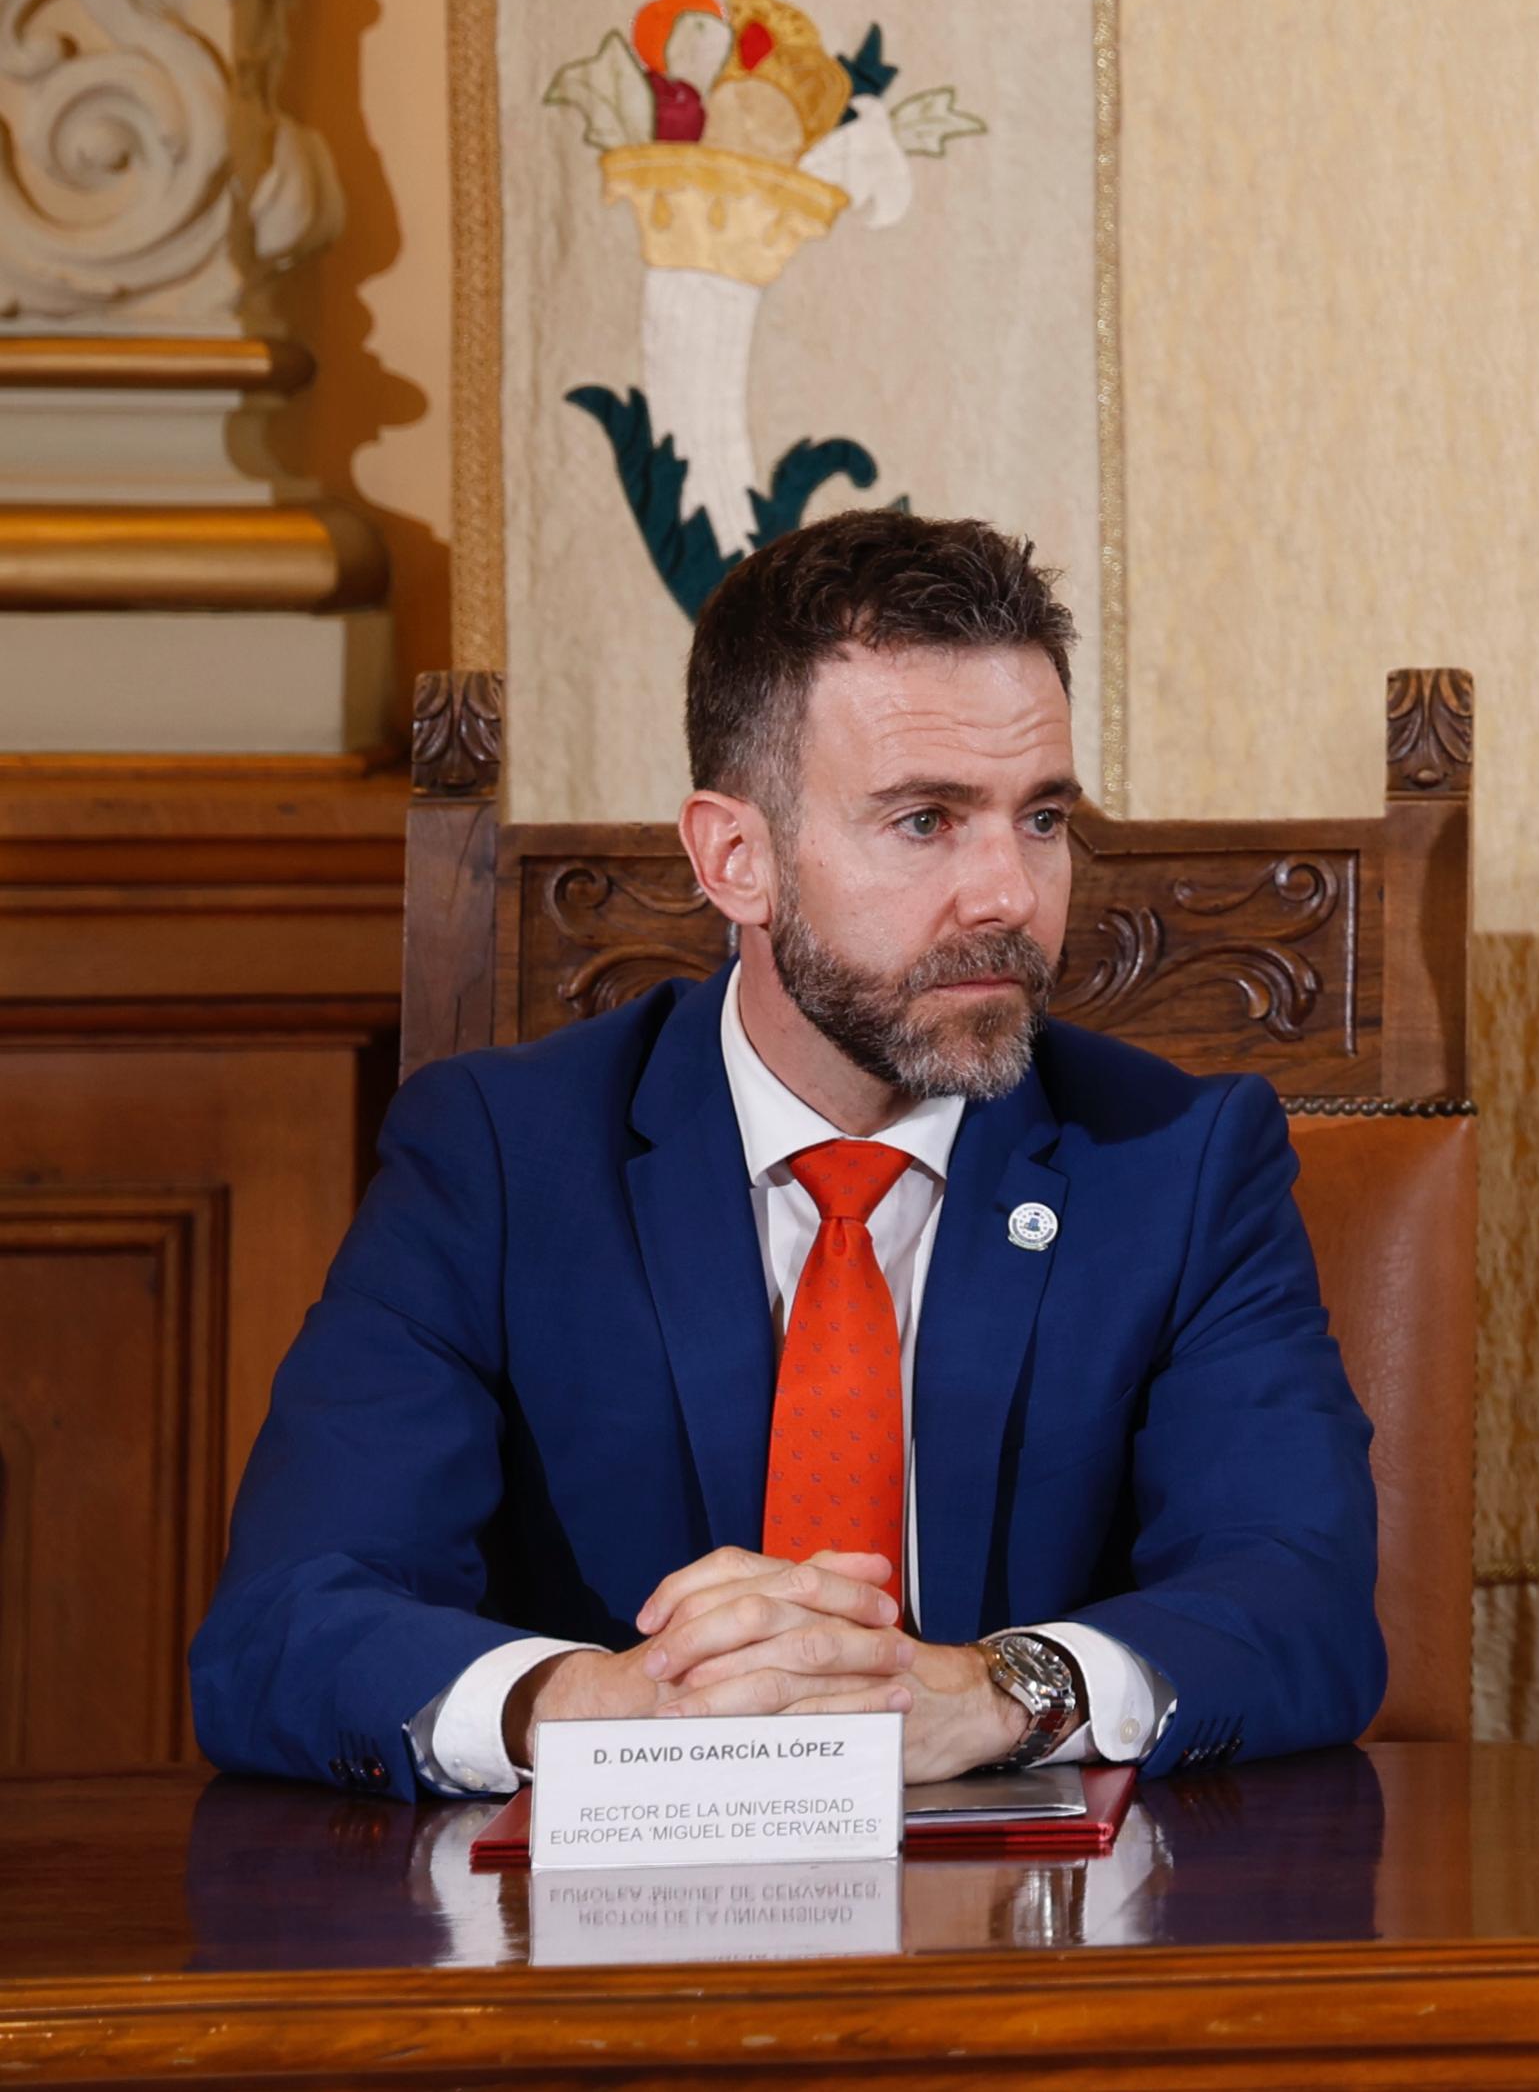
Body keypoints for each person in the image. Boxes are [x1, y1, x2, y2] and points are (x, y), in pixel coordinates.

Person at [190, 513, 1383, 1796]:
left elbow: (1299, 1597)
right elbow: (286, 1622)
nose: (1008, 892)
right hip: (611, 1901)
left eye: (1041, 816)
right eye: (924, 819)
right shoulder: (496, 1157)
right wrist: (589, 1702)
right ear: (735, 857)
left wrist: (998, 1691)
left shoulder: (1179, 1160)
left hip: (1036, 1902)